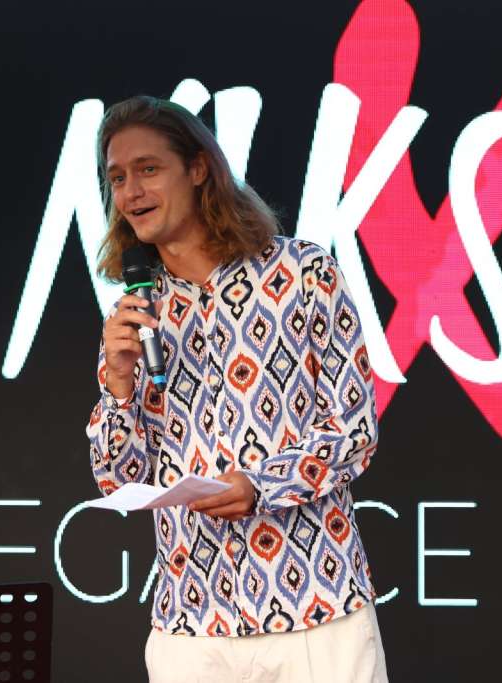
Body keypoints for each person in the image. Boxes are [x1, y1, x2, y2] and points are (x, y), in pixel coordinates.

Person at [85, 95, 387, 683]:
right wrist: (118, 386)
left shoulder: (303, 273)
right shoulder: (134, 315)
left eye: (148, 169)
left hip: (315, 609)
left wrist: (261, 486)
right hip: (191, 625)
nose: (131, 192)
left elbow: (353, 431)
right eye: (117, 178)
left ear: (199, 168)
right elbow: (119, 480)